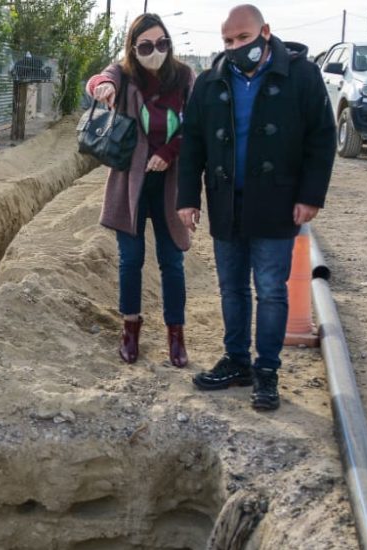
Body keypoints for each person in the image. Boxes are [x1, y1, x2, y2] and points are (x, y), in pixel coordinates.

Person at [177, 5, 335, 411]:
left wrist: (310, 196)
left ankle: (267, 371)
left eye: (243, 39)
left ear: (265, 32)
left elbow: (321, 138)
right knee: (231, 288)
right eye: (228, 41)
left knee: (270, 289)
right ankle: (237, 361)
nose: (234, 48)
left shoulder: (300, 75)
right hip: (226, 199)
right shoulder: (212, 82)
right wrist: (188, 198)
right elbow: (192, 142)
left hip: (277, 202)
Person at [86, 14, 197, 368]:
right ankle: (130, 329)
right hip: (130, 185)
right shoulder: (125, 72)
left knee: (172, 262)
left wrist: (169, 152)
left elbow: (195, 125)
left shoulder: (184, 77)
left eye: (161, 44)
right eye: (146, 46)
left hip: (170, 184)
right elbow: (99, 79)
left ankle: (175, 336)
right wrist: (102, 87)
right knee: (130, 261)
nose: (155, 52)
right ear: (134, 48)